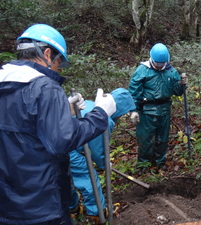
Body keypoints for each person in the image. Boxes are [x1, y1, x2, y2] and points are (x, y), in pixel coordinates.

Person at [0, 24, 116, 224]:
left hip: (7, 203)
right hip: (41, 204)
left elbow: (21, 124)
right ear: (47, 54)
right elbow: (63, 140)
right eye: (57, 62)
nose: (56, 68)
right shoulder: (44, 87)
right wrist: (100, 114)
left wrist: (61, 112)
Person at [69, 88, 135, 223]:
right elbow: (97, 150)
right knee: (88, 176)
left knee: (65, 178)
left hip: (56, 142)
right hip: (68, 148)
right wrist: (104, 164)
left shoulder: (90, 104)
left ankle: (72, 209)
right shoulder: (105, 120)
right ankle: (98, 212)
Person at [128, 43, 187, 175]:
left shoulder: (171, 71)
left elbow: (177, 92)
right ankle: (144, 163)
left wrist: (181, 85)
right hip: (146, 110)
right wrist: (133, 110)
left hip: (164, 109)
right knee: (145, 138)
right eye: (158, 63)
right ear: (152, 60)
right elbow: (134, 92)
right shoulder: (142, 70)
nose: (160, 66)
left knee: (163, 138)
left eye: (162, 63)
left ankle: (160, 161)